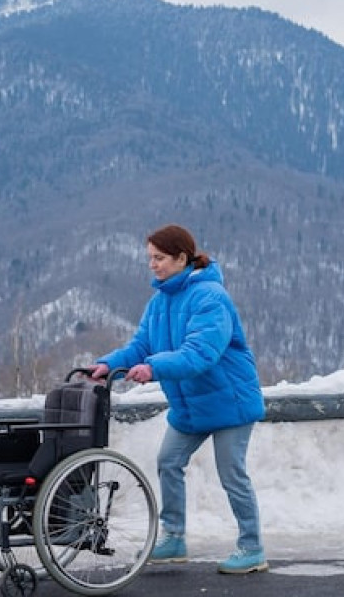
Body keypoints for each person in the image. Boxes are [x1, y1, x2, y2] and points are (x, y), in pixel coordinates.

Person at [88, 224, 268, 574]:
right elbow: (141, 345)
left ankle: (252, 547)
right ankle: (174, 538)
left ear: (182, 258)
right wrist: (109, 363)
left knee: (232, 474)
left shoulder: (210, 297)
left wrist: (152, 368)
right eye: (149, 258)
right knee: (169, 461)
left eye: (160, 258)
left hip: (230, 403)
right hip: (190, 405)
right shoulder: (159, 302)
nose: (152, 265)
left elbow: (201, 353)